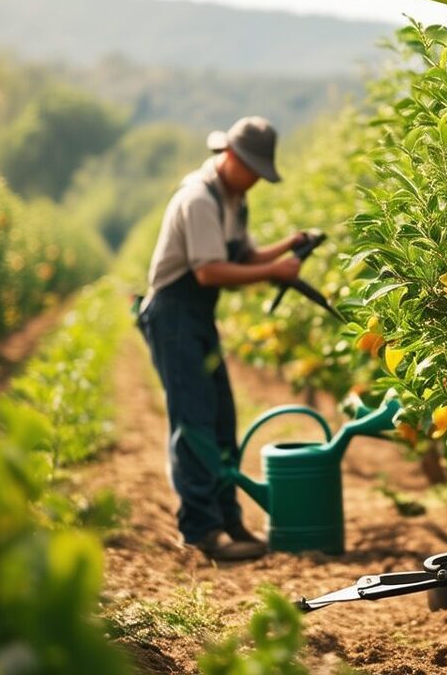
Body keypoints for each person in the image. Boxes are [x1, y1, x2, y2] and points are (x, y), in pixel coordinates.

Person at [137, 116, 306, 561]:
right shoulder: (198, 198)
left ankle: (228, 519)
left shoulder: (233, 198)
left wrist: (286, 247)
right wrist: (274, 271)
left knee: (221, 418)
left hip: (197, 317)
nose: (254, 179)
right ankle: (201, 530)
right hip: (173, 314)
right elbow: (209, 271)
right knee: (194, 421)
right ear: (229, 157)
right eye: (250, 168)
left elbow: (243, 255)